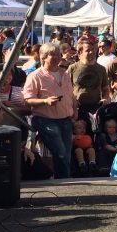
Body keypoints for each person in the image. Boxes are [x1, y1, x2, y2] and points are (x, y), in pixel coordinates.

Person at [22, 43, 77, 179]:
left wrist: (75, 109)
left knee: (66, 155)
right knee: (60, 153)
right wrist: (45, 101)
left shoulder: (65, 74)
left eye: (59, 54)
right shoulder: (34, 76)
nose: (58, 57)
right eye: (54, 55)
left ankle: (62, 182)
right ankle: (66, 182)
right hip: (45, 120)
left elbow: (71, 95)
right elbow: (27, 100)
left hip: (66, 119)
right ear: (44, 57)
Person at [68, 39, 110, 127]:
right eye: (87, 50)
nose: (91, 52)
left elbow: (105, 88)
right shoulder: (72, 68)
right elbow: (66, 89)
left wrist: (105, 98)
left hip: (96, 108)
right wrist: (73, 101)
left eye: (93, 50)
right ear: (80, 53)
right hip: (78, 108)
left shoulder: (101, 69)